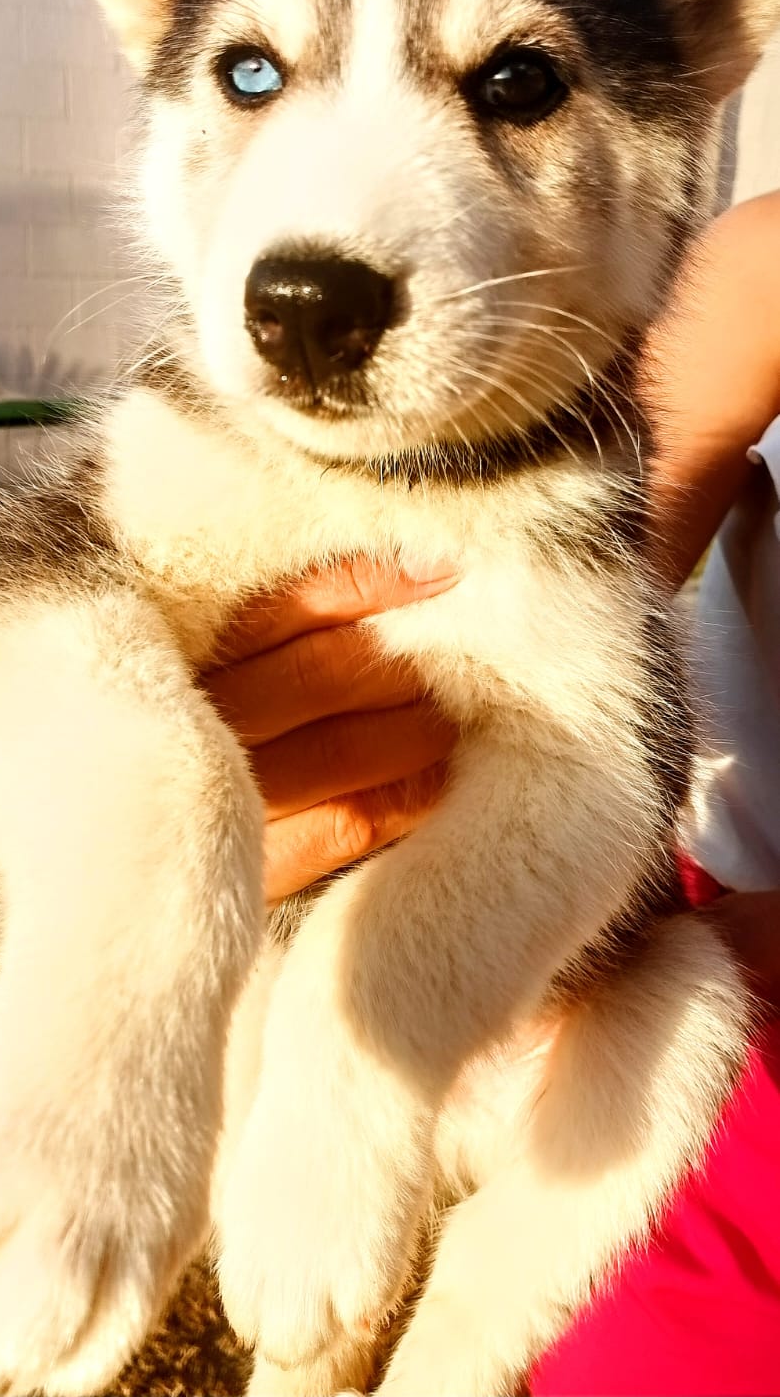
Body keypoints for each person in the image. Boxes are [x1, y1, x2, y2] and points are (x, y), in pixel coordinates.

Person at [200, 188, 780, 1393]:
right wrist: (334, 718)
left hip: (718, 996)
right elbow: (557, 585)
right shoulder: (764, 267)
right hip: (676, 959)